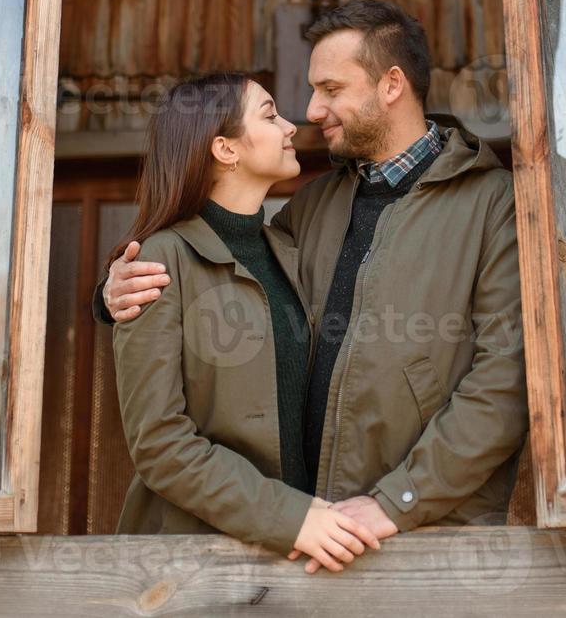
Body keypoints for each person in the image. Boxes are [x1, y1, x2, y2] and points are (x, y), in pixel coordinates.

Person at [101, 0, 528, 571]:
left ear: (391, 84)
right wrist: (113, 297)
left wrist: (400, 499)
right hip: (290, 531)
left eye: (330, 88)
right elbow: (216, 266)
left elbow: (505, 380)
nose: (310, 110)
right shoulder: (312, 206)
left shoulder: (494, 201)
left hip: (416, 534)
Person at [108, 71, 382, 574]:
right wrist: (288, 517)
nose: (290, 127)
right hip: (191, 565)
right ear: (225, 149)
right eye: (270, 114)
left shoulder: (285, 250)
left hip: (300, 556)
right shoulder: (160, 260)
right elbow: (159, 444)